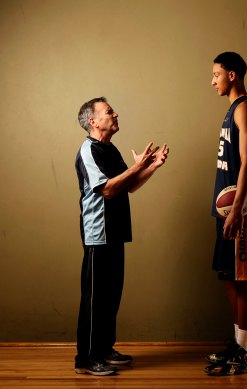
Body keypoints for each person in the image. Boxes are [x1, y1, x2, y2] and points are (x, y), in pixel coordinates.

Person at [74, 97, 169, 375]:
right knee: (94, 298)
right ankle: (86, 359)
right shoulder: (88, 150)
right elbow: (106, 190)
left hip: (116, 231)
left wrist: (150, 167)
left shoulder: (110, 149)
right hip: (97, 234)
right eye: (108, 111)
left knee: (111, 295)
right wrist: (137, 167)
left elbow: (127, 186)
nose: (115, 113)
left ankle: (104, 349)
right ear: (93, 121)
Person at [204, 52, 247, 376]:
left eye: (216, 74)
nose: (212, 80)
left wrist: (238, 210)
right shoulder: (232, 111)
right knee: (230, 277)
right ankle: (238, 343)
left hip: (243, 214)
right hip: (227, 210)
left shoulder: (246, 108)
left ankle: (246, 352)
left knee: (244, 280)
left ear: (232, 75)